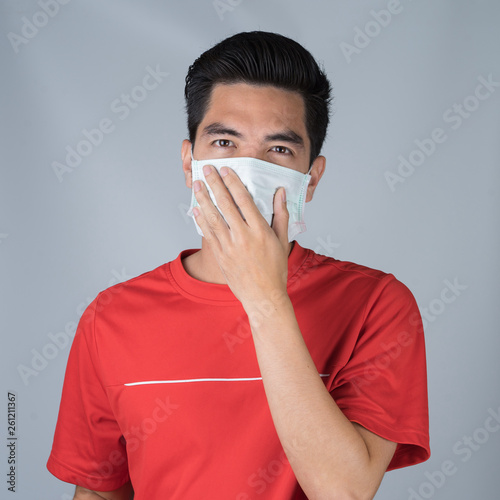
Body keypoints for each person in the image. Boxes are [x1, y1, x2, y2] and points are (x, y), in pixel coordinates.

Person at [47, 31, 430, 499]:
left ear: (311, 179)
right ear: (190, 163)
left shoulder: (376, 305)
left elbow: (344, 492)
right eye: (224, 142)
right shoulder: (109, 318)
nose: (246, 170)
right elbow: (99, 491)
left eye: (279, 150)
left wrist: (265, 298)